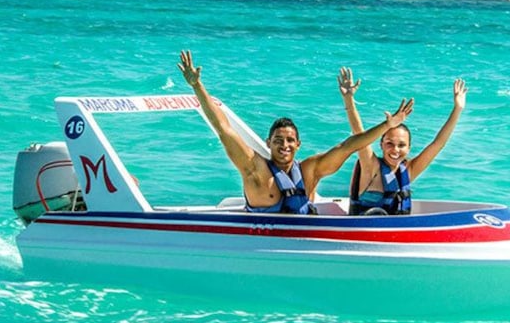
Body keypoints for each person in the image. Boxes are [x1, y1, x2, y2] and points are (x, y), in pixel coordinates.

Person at [177, 51, 413, 214]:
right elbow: (224, 128)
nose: (285, 145)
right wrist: (197, 86)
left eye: (290, 140)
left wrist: (387, 127)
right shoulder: (254, 169)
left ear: (299, 144)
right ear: (269, 143)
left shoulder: (309, 171)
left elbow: (349, 146)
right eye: (278, 140)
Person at [337, 67, 467, 215]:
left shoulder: (408, 170)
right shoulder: (370, 166)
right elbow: (358, 134)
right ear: (381, 145)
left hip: (392, 234)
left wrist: (458, 109)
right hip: (361, 232)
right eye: (389, 144)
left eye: (402, 145)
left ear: (409, 148)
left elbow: (438, 144)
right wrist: (348, 99)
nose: (395, 150)